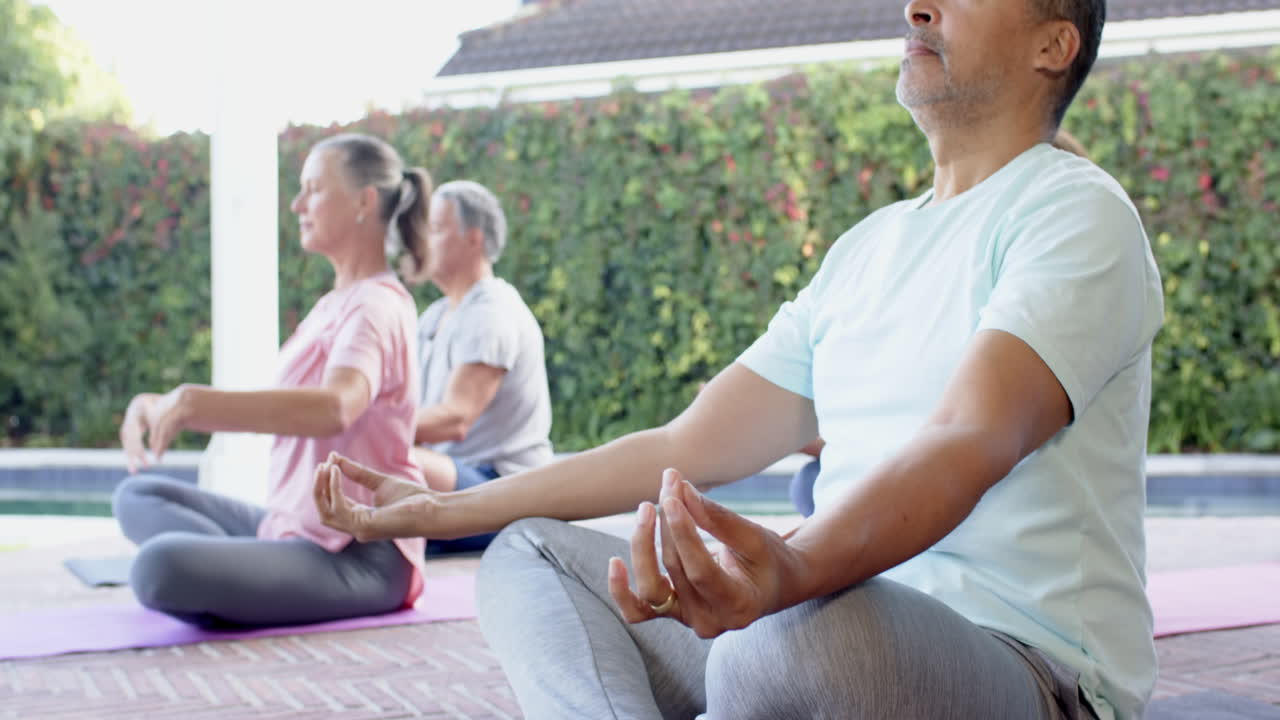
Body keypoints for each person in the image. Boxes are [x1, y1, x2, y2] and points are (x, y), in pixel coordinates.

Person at [312, 0, 1164, 715]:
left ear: (1055, 45)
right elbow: (686, 449)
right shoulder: (868, 249)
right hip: (819, 615)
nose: (917, 6)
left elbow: (967, 439)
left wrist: (791, 569)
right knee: (529, 556)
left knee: (792, 633)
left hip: (1020, 666)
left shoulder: (1073, 213)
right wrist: (445, 508)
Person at [113, 133, 432, 628]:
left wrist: (196, 405)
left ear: (363, 202)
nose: (297, 203)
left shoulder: (376, 306)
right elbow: (296, 403)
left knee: (159, 567)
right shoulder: (334, 303)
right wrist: (157, 403)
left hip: (359, 551)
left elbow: (336, 407)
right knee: (137, 495)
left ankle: (241, 579)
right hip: (292, 526)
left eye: (313, 189)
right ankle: (250, 576)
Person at [410, 180, 553, 553]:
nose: (423, 239)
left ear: (473, 238)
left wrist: (365, 429)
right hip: (457, 477)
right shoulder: (436, 316)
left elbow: (455, 419)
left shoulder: (491, 312)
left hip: (502, 487)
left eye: (436, 229)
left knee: (386, 460)